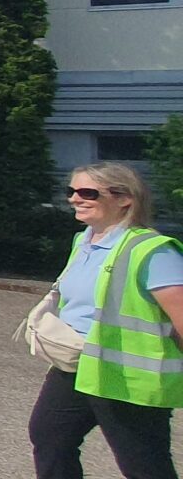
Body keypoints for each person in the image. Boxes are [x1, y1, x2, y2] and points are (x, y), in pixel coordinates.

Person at [29, 162, 183, 479]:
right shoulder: (84, 242)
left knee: (143, 466)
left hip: (127, 378)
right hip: (76, 366)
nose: (74, 198)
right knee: (49, 438)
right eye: (71, 191)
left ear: (125, 199)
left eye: (87, 192)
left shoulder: (152, 251)